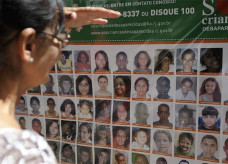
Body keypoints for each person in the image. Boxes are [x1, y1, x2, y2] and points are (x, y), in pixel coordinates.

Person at [0, 0, 120, 162]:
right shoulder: (23, 151)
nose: (59, 49)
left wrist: (40, 15)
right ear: (28, 45)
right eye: (59, 37)